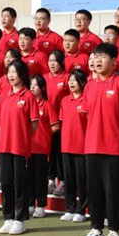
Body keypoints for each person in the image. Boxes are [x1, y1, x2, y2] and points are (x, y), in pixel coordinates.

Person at [80, 43, 119, 236]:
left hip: (114, 147)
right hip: (92, 145)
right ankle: (96, 228)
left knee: (113, 190)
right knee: (94, 190)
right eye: (95, 57)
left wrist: (118, 134)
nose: (98, 60)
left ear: (113, 61)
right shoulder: (89, 86)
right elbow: (87, 114)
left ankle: (114, 230)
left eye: (102, 57)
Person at [0, 60, 40, 235]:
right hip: (3, 145)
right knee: (6, 183)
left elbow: (34, 123)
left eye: (14, 72)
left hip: (19, 147)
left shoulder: (28, 96)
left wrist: (22, 137)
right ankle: (8, 217)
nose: (11, 75)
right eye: (9, 72)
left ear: (22, 74)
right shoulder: (4, 95)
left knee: (19, 183)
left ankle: (20, 219)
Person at [59, 70, 89, 222]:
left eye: (74, 80)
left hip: (82, 147)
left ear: (82, 82)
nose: (71, 83)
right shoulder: (65, 100)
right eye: (69, 80)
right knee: (69, 179)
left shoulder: (86, 100)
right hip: (66, 145)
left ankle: (81, 210)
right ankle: (70, 208)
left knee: (82, 181)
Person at [28, 75, 59, 218]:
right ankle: (29, 204)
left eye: (35, 85)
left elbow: (55, 125)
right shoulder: (27, 104)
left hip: (41, 148)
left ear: (42, 88)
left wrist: (45, 135)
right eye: (31, 85)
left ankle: (40, 206)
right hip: (27, 147)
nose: (32, 88)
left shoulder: (46, 105)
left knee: (40, 178)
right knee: (28, 177)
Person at [44, 50, 69, 196]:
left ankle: (62, 181)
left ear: (61, 62)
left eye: (55, 61)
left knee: (60, 152)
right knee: (49, 152)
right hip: (46, 122)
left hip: (62, 122)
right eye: (50, 61)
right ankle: (50, 180)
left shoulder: (67, 78)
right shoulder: (44, 78)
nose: (52, 64)